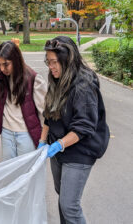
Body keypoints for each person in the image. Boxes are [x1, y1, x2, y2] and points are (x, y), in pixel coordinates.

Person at [38, 36, 110, 224]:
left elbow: (84, 126)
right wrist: (42, 142)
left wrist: (59, 144)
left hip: (80, 150)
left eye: (54, 62)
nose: (50, 67)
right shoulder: (57, 79)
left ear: (67, 60)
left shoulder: (84, 85)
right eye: (48, 62)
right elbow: (49, 114)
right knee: (63, 199)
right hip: (58, 147)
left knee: (70, 205)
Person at [0, 41, 47, 160]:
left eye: (6, 64)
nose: (2, 69)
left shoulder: (34, 80)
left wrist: (43, 139)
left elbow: (45, 114)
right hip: (6, 132)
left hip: (26, 134)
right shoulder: (1, 75)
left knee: (25, 174)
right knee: (9, 172)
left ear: (16, 60)